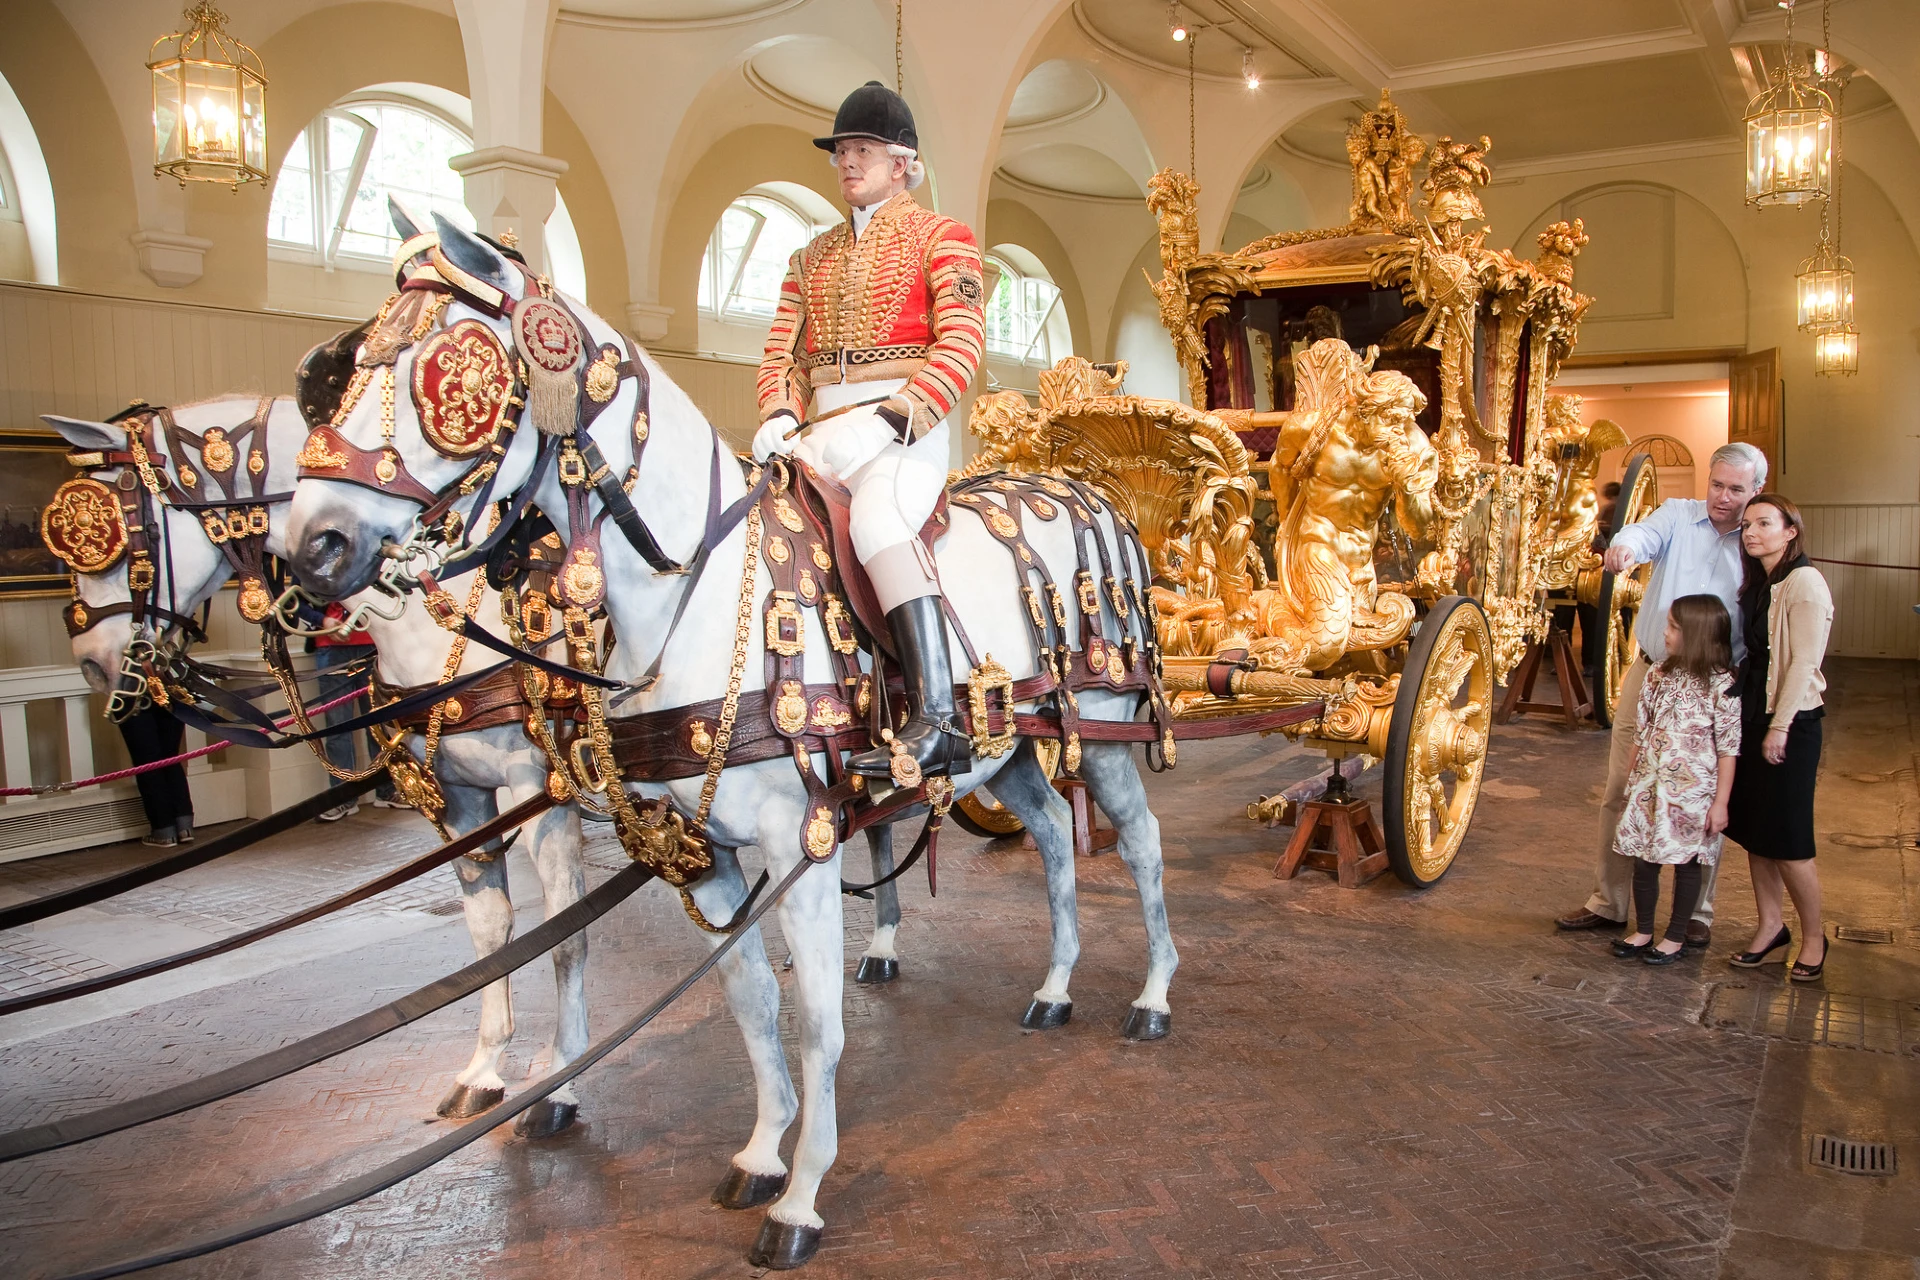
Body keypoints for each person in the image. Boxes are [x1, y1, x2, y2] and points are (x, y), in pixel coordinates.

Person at [752, 81, 987, 783]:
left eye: (863, 150)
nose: (848, 162)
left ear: (902, 163)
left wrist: (895, 416)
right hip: (820, 428)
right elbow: (782, 353)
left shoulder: (944, 238)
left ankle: (940, 717)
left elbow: (962, 343)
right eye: (842, 152)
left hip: (902, 428)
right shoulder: (808, 256)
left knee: (880, 523)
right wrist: (779, 413)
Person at [1554, 442, 1767, 944]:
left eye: (1736, 489)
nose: (1722, 497)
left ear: (1755, 490)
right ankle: (1609, 902)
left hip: (1717, 685)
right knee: (1620, 790)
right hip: (1653, 675)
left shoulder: (1756, 538)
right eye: (1716, 484)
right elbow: (1643, 534)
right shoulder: (1678, 514)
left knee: (1706, 800)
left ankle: (1696, 914)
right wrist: (1625, 549)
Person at [1724, 495, 1832, 982]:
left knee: (1790, 841)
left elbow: (1804, 663)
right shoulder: (1763, 582)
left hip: (1791, 722)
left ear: (1791, 531)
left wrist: (1780, 726)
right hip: (1753, 717)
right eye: (1747, 524)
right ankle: (1771, 926)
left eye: (1765, 523)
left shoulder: (1804, 582)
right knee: (1757, 833)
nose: (1751, 532)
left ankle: (1814, 938)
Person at [1609, 595, 1741, 965]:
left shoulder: (1723, 686)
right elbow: (1642, 731)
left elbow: (1729, 749)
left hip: (1693, 795)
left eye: (1673, 628)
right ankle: (1644, 929)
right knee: (1644, 861)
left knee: (1687, 865)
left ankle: (1675, 935)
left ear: (1696, 635)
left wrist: (1721, 803)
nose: (1665, 633)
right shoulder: (1658, 674)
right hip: (1650, 787)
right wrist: (1629, 780)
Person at [310, 601, 392, 820]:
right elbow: (292, 601)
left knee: (380, 725)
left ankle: (387, 791)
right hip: (331, 648)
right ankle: (343, 798)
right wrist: (322, 620)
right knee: (338, 728)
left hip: (372, 644)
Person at [118, 704, 193, 847]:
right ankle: (184, 826)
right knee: (170, 757)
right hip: (171, 689)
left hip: (131, 692)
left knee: (147, 763)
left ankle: (164, 830)